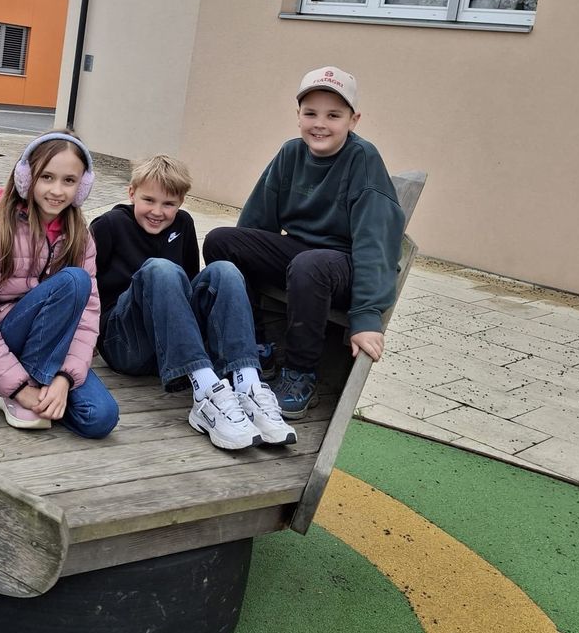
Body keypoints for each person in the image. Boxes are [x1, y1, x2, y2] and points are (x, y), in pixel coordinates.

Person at [203, 66, 404, 419]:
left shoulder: (363, 161)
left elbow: (376, 245)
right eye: (310, 113)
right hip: (301, 259)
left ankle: (300, 373)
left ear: (353, 120)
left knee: (310, 264)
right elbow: (256, 223)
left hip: (343, 265)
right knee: (222, 241)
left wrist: (367, 316)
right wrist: (245, 256)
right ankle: (253, 346)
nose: (320, 124)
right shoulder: (291, 154)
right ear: (298, 116)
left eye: (333, 115)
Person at [91, 155, 296, 449]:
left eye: (169, 204)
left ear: (182, 201)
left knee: (223, 270)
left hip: (171, 344)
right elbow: (85, 283)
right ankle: (204, 393)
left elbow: (187, 287)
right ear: (132, 193)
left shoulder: (183, 225)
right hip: (126, 343)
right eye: (149, 200)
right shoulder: (109, 225)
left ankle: (247, 384)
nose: (157, 212)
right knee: (159, 269)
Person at [0, 131, 119, 438]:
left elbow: (86, 319)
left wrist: (64, 379)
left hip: (55, 348)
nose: (57, 190)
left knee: (100, 418)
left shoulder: (81, 238)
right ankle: (17, 386)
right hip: (8, 337)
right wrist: (19, 388)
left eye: (69, 181)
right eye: (47, 177)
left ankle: (32, 383)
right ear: (25, 177)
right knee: (74, 280)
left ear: (82, 186)